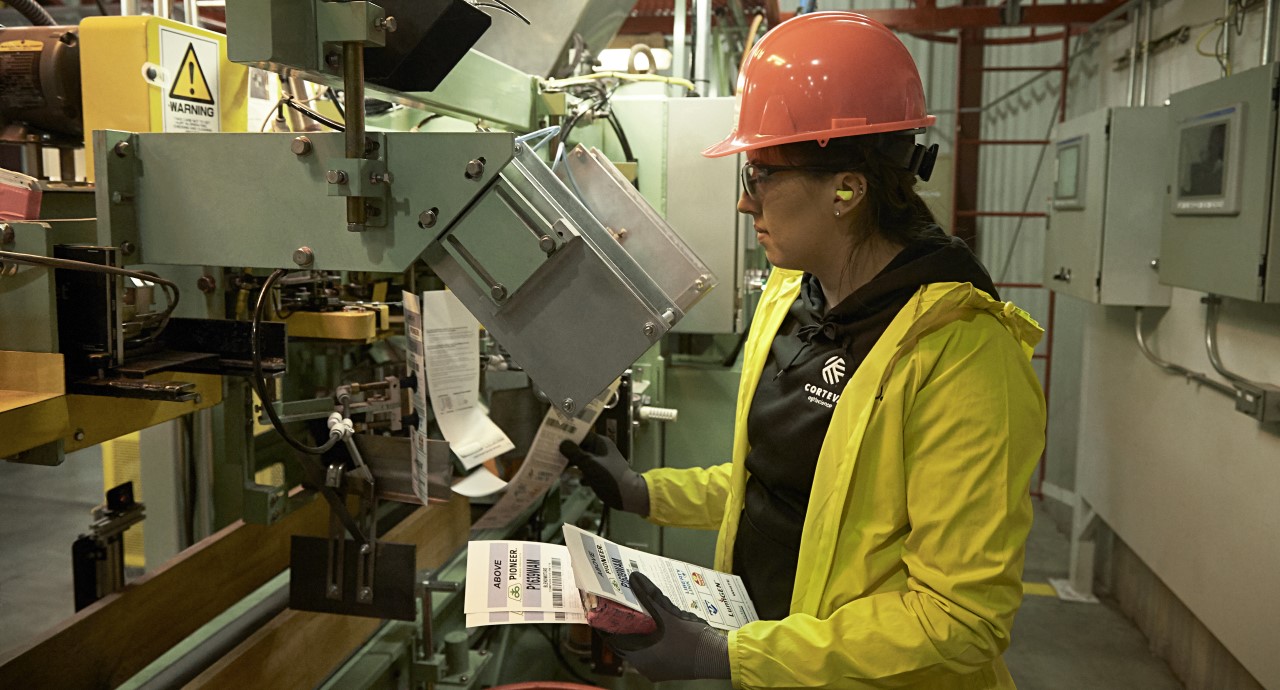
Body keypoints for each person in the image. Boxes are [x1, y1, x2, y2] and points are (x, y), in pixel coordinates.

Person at [560, 12, 1045, 689]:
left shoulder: (961, 354)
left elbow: (959, 618)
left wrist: (732, 656)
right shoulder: (794, 297)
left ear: (847, 189)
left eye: (759, 174)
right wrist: (647, 493)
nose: (743, 203)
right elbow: (787, 489)